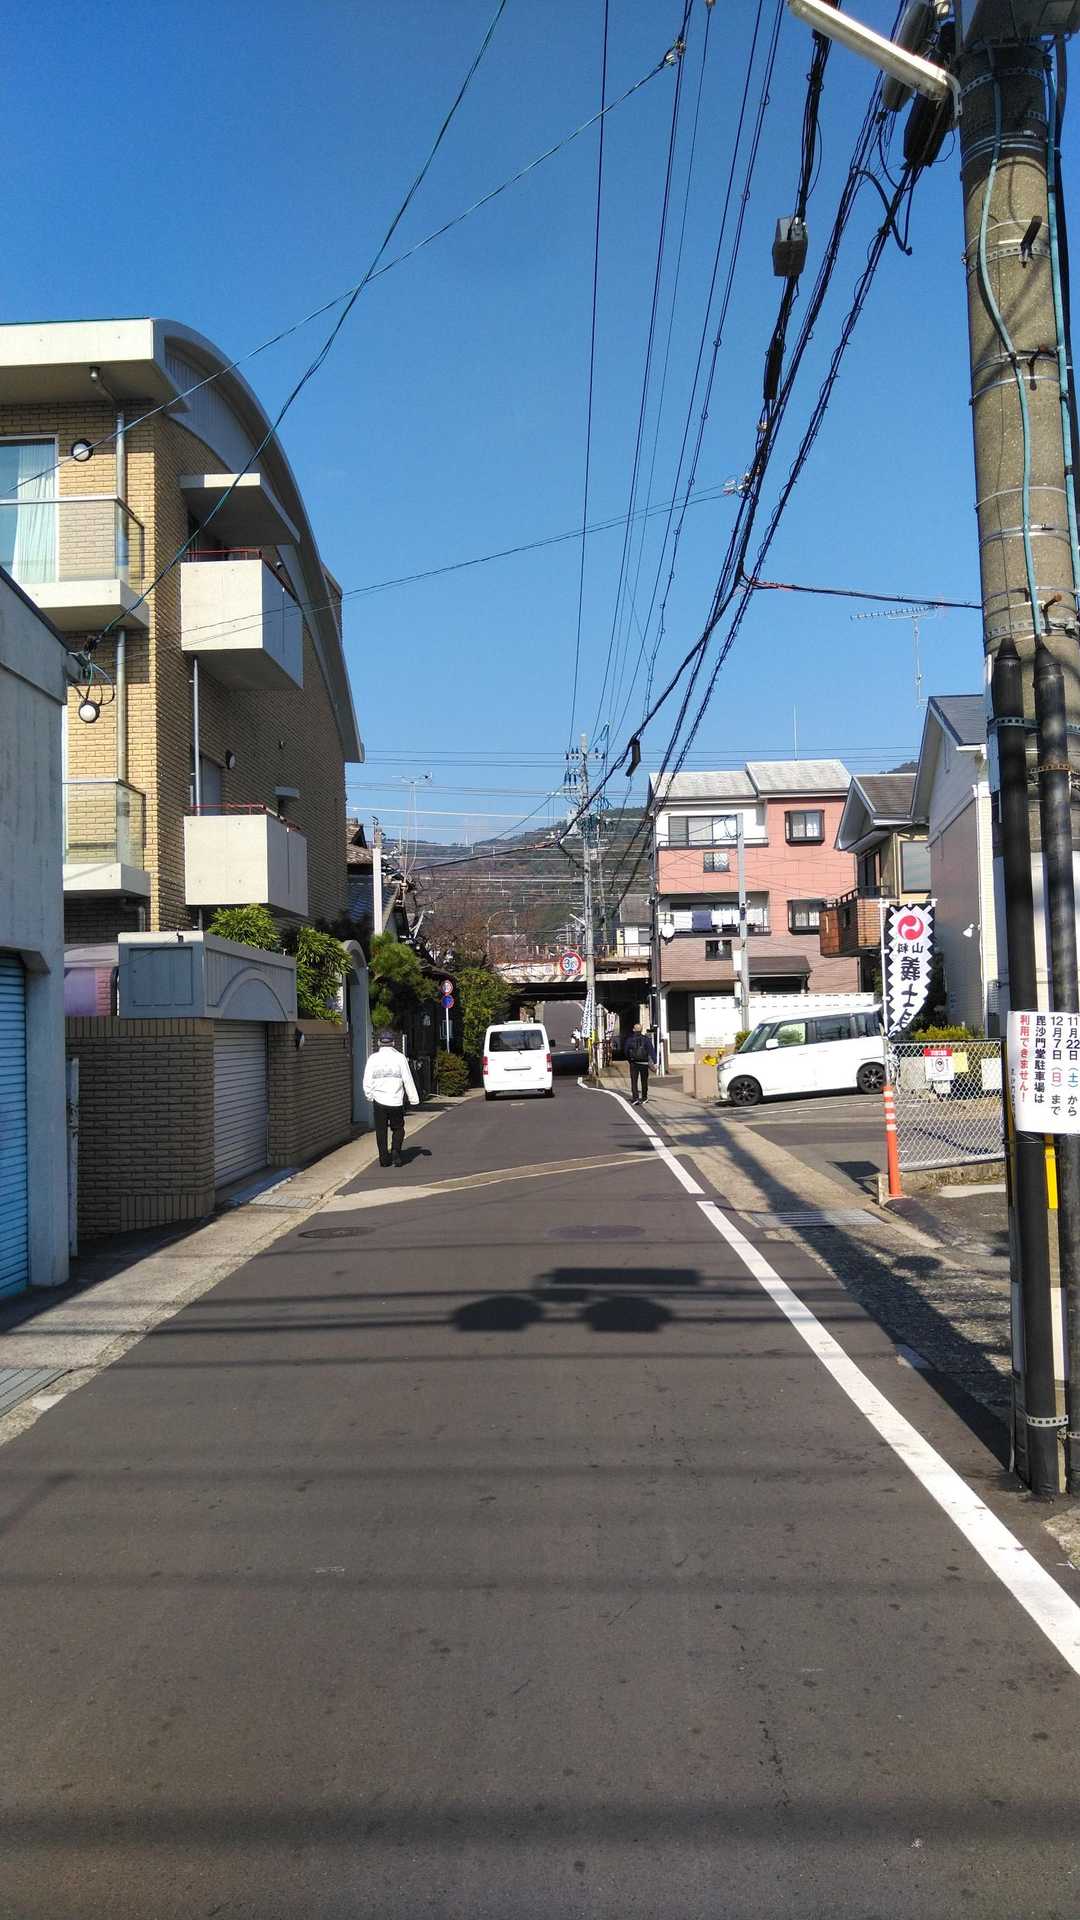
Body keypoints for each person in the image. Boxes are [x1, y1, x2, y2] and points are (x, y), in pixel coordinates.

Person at [362, 1029, 420, 1168]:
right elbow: (407, 1079)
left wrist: (369, 1095)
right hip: (396, 1100)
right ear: (393, 1043)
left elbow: (367, 1079)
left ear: (379, 1043)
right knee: (398, 1128)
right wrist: (413, 1099)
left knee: (381, 1130)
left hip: (379, 1100)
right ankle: (395, 1151)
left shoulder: (373, 1059)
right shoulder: (400, 1058)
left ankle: (384, 1159)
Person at [624, 1023, 656, 1105]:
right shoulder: (646, 1039)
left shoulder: (630, 1039)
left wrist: (630, 1060)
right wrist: (654, 1062)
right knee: (644, 1081)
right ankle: (644, 1097)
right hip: (644, 1063)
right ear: (641, 1030)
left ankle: (635, 1098)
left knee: (634, 1081)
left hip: (634, 1063)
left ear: (633, 1030)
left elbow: (626, 1051)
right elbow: (651, 1051)